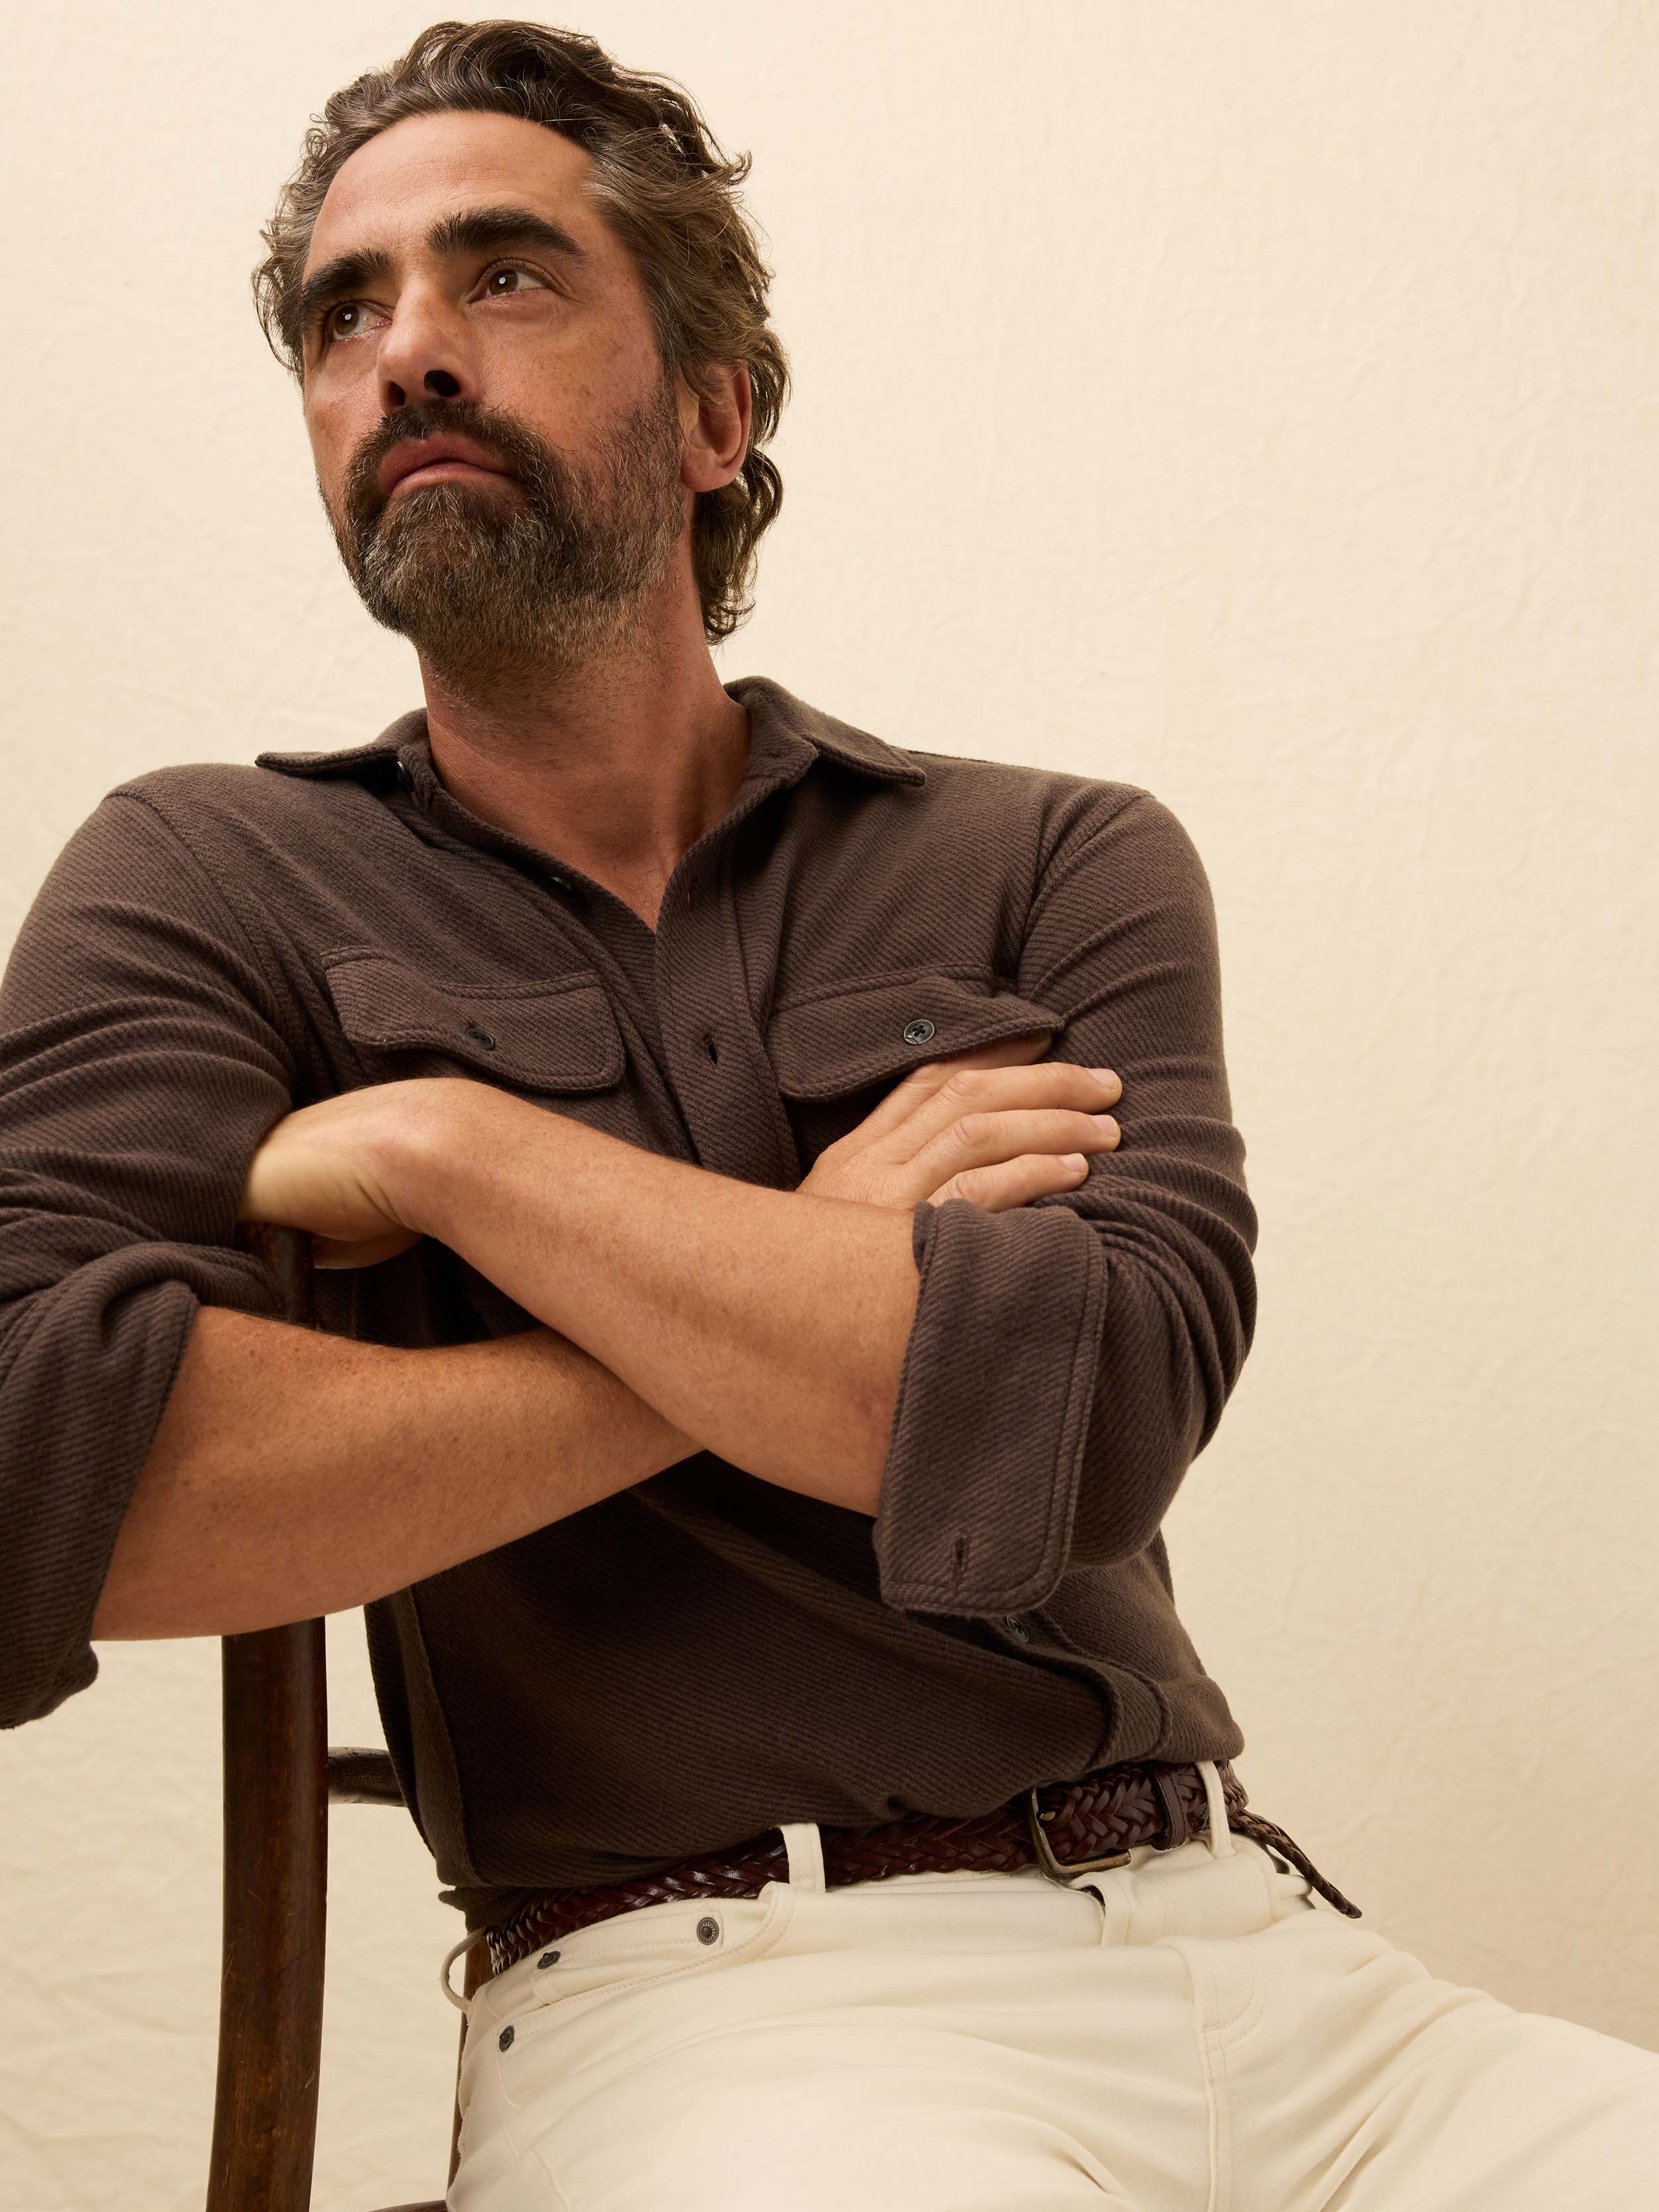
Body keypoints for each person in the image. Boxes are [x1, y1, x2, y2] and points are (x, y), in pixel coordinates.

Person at [1, 19, 1653, 2209]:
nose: (404, 350)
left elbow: (1081, 1431)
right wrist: (799, 1282)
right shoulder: (205, 880)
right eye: (345, 308)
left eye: (502, 276)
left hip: (1272, 1969)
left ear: (715, 411)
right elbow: (52, 1490)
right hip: (714, 2012)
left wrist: (449, 1156)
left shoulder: (1054, 855)